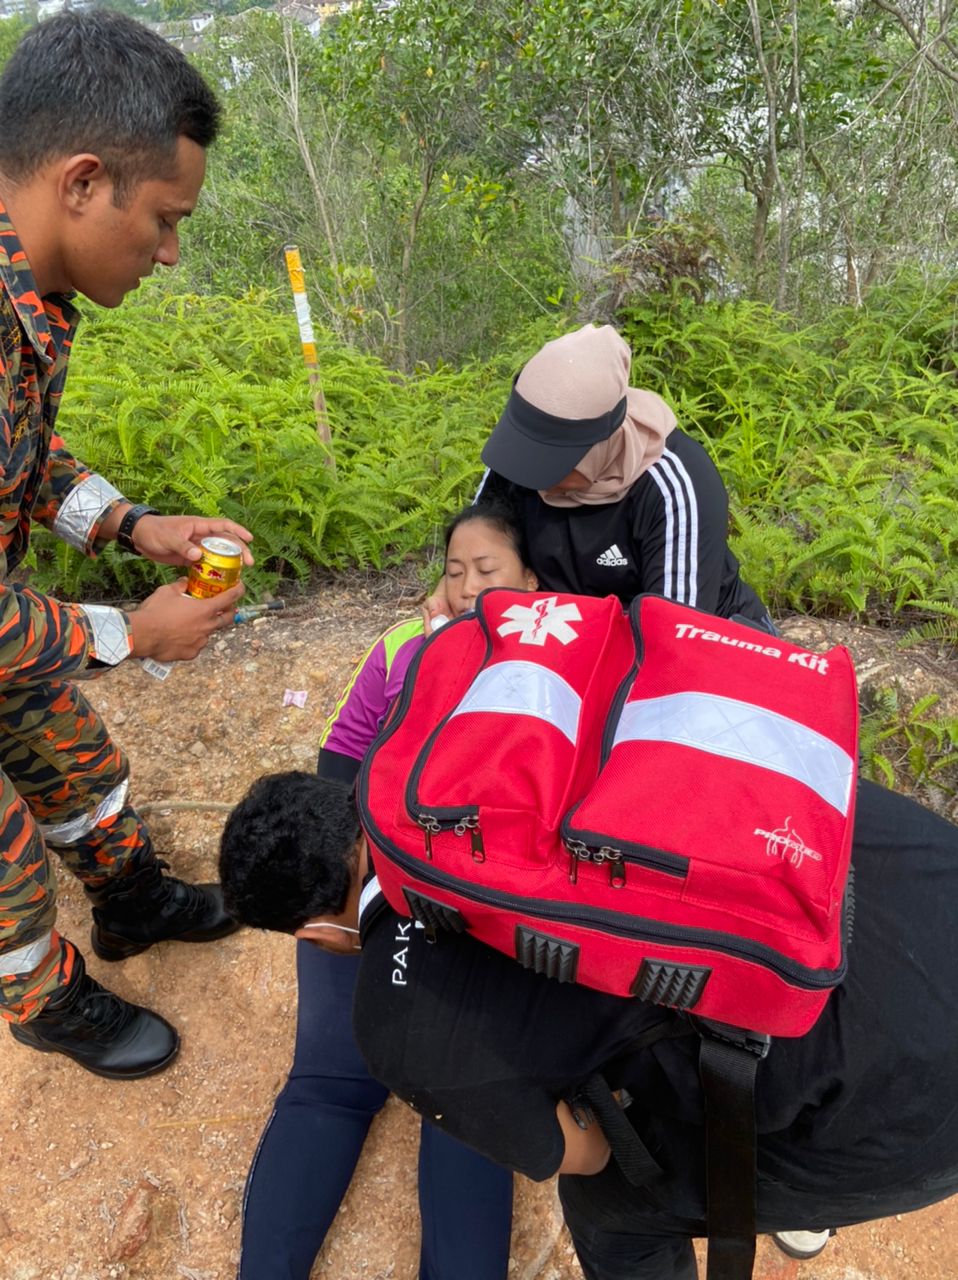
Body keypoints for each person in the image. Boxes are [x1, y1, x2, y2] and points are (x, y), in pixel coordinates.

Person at [219, 767, 958, 1280]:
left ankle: (797, 1191)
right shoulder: (464, 753)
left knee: (610, 1208)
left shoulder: (391, 1024)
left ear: (316, 934)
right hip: (891, 863)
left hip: (915, 1092)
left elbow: (588, 1152)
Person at [0, 12, 255, 1081]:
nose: (170, 250)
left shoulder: (35, 298)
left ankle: (131, 898)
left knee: (75, 754)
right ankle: (44, 998)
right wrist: (128, 632)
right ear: (83, 181)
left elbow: (29, 455)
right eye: (161, 218)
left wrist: (131, 524)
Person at [223, 503, 537, 1280]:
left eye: (487, 570)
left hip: (480, 881)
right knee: (334, 1079)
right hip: (359, 857)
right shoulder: (403, 644)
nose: (466, 586)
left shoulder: (555, 647)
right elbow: (340, 759)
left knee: (458, 1093)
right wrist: (351, 878)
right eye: (453, 570)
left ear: (533, 579)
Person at [428, 323, 769, 629]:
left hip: (702, 650)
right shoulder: (516, 461)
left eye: (551, 462)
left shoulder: (673, 485)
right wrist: (446, 601)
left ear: (602, 443)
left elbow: (674, 633)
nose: (533, 475)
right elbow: (474, 545)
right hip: (565, 639)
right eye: (528, 452)